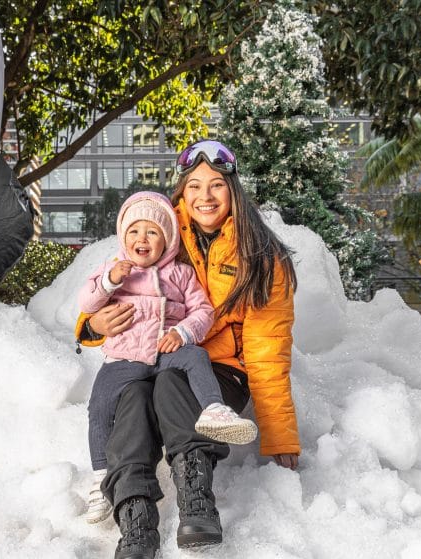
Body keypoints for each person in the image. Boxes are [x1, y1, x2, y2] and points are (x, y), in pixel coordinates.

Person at [76, 140, 300, 559]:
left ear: (233, 190)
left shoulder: (262, 257)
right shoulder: (160, 230)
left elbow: (268, 350)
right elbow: (113, 290)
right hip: (151, 354)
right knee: (133, 395)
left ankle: (196, 499)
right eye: (194, 186)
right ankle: (135, 515)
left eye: (216, 185)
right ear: (182, 190)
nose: (204, 197)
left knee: (169, 385)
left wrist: (280, 435)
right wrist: (91, 325)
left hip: (219, 369)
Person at [77, 191, 258, 524]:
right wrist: (108, 283)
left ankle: (214, 410)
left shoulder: (181, 273)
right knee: (100, 407)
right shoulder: (113, 270)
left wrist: (183, 333)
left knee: (196, 356)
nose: (142, 239)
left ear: (168, 240)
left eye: (152, 232)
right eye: (134, 231)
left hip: (164, 352)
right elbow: (87, 303)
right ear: (123, 236)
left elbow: (203, 311)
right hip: (125, 358)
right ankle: (101, 476)